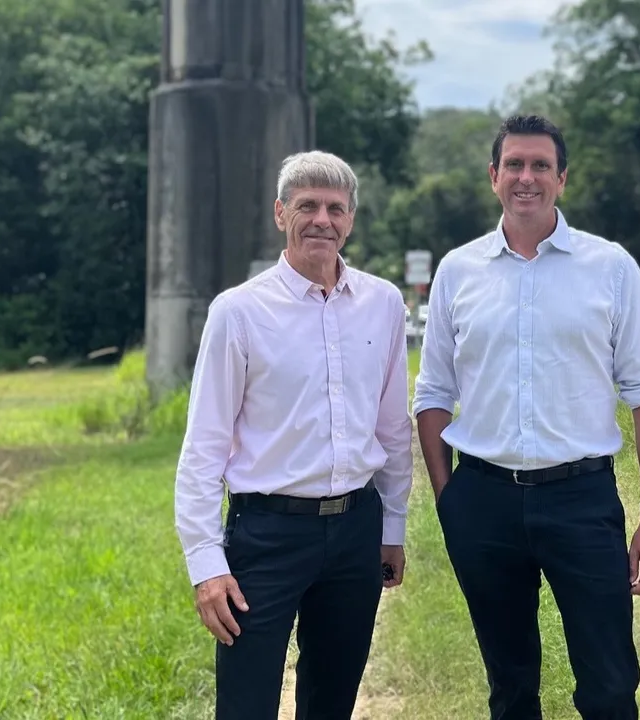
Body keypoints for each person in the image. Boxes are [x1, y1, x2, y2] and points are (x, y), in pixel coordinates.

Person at [412, 114, 640, 720]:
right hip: (483, 499)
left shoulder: (610, 267)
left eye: (540, 166)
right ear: (493, 176)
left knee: (610, 683)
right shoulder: (458, 271)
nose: (525, 177)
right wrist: (450, 499)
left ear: (562, 178)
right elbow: (433, 392)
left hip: (581, 498)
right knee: (509, 686)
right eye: (514, 165)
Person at [173, 150, 413, 720]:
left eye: (335, 208)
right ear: (281, 213)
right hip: (266, 536)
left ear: (350, 219)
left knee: (331, 703)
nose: (321, 220)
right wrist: (206, 564)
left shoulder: (383, 304)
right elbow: (204, 446)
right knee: (246, 705)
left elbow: (392, 429)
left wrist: (392, 529)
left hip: (355, 531)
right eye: (307, 206)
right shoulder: (238, 312)